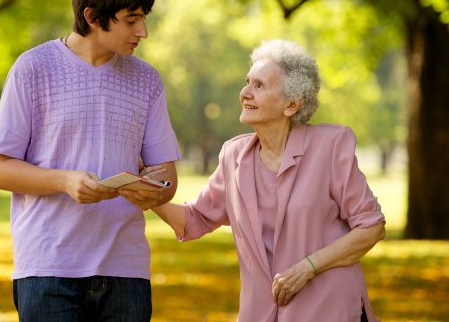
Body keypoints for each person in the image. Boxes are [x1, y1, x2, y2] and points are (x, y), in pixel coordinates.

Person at [0, 0, 180, 321]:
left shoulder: (148, 80)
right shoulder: (33, 68)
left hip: (126, 270)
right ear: (92, 17)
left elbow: (166, 175)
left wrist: (155, 189)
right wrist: (65, 181)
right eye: (131, 20)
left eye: (143, 19)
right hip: (47, 267)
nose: (142, 32)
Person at [135, 39, 386, 321]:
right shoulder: (233, 156)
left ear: (292, 104)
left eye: (259, 86)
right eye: (247, 82)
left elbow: (371, 227)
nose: (244, 93)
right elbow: (192, 220)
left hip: (329, 309)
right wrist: (142, 188)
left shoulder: (329, 147)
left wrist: (308, 267)